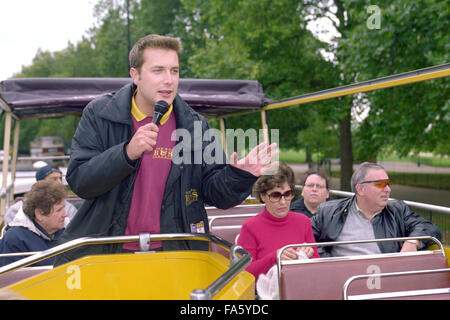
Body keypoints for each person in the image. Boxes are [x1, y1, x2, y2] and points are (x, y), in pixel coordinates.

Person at [54, 34, 278, 265]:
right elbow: (80, 181)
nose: (169, 80)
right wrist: (126, 153)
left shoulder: (195, 124)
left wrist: (239, 175)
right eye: (158, 70)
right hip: (106, 252)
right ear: (135, 75)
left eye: (174, 71)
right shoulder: (100, 113)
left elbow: (217, 195)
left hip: (176, 252)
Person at [311, 162, 442, 257]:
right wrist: (329, 263)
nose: (388, 189)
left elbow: (430, 228)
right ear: (361, 189)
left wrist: (412, 242)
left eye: (388, 184)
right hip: (341, 282)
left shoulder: (397, 211)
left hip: (385, 281)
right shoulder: (330, 212)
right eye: (380, 184)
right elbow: (304, 234)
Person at [237, 162, 320, 283]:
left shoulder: (303, 221)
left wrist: (309, 254)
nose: (283, 202)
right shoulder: (250, 226)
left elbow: (316, 265)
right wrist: (275, 257)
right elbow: (245, 273)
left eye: (287, 194)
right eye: (276, 196)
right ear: (263, 196)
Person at [0, 180, 68, 267]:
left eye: (64, 208)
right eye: (59, 210)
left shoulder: (67, 231)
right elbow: (12, 278)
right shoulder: (15, 239)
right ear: (39, 214)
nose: (65, 214)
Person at [3, 164, 77, 227]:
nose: (60, 183)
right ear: (40, 182)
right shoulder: (16, 210)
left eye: (60, 178)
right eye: (54, 179)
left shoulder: (69, 209)